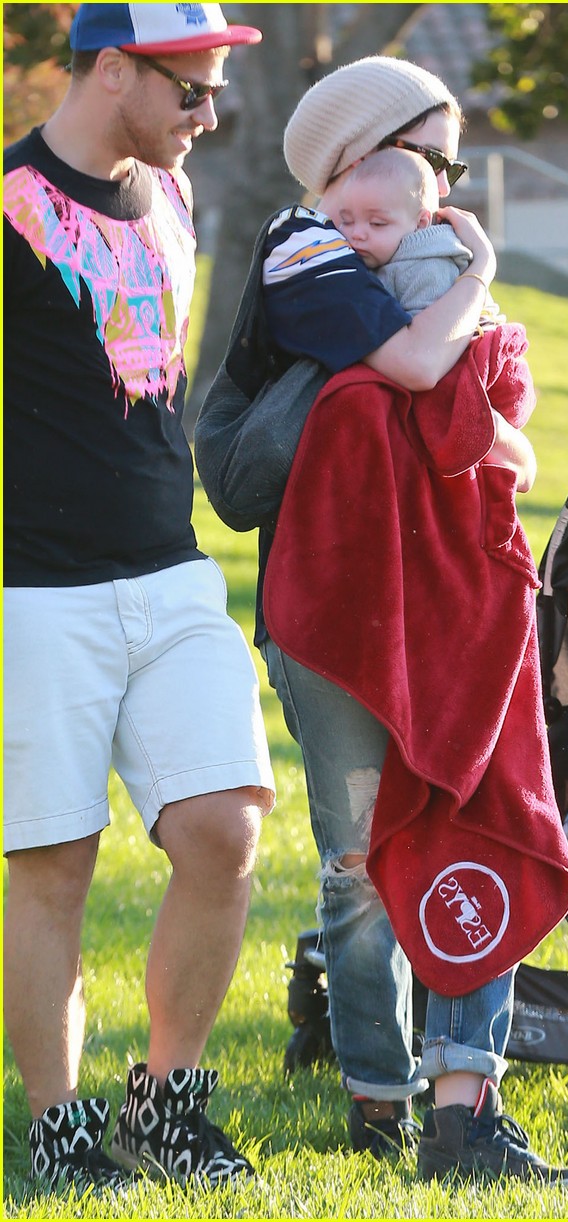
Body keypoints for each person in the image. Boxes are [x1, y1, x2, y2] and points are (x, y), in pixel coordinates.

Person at [196, 56, 568, 1188]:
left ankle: (458, 1102)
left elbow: (502, 433)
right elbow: (420, 368)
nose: (445, 182)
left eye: (446, 170)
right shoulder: (309, 250)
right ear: (347, 162)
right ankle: (382, 1090)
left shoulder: (409, 247)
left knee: (463, 819)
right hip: (337, 607)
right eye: (427, 156)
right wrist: (483, 265)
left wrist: (487, 400)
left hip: (446, 596)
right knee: (358, 863)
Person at [3, 3, 275, 1192]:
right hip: (33, 589)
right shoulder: (7, 205)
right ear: (114, 70)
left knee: (227, 826)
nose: (209, 116)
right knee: (55, 866)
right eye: (191, 90)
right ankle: (60, 1134)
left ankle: (167, 1103)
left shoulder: (170, 194)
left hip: (170, 569)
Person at [336, 145, 502, 324]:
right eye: (347, 221)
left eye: (377, 223)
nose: (357, 234)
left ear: (421, 223)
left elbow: (428, 340)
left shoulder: (430, 268)